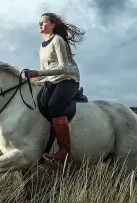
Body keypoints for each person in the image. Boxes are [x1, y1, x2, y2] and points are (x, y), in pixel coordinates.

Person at [25, 12, 85, 162]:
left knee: (53, 105)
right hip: (52, 81)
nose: (40, 24)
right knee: (41, 106)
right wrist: (28, 78)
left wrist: (37, 72)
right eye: (39, 22)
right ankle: (45, 149)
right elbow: (45, 71)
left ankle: (64, 149)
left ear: (52, 25)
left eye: (44, 22)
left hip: (68, 80)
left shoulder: (57, 40)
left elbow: (64, 68)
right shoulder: (41, 47)